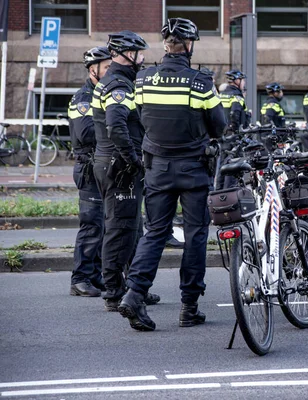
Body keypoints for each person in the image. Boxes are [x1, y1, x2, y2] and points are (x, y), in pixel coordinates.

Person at [118, 18, 226, 331]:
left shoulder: (142, 79)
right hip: (193, 170)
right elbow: (219, 125)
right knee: (195, 236)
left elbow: (138, 116)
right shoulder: (200, 82)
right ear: (188, 45)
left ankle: (135, 293)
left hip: (158, 169)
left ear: (166, 45)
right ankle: (188, 307)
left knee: (154, 233)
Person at [91, 30, 158, 311]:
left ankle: (131, 287)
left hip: (111, 163)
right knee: (119, 230)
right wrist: (133, 160)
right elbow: (117, 127)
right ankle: (113, 291)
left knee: (131, 229)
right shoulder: (118, 84)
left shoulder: (118, 81)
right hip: (118, 167)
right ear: (126, 53)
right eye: (139, 53)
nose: (142, 58)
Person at [68, 46, 112, 297]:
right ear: (92, 70)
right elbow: (85, 133)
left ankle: (95, 276)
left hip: (101, 167)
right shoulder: (83, 97)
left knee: (102, 226)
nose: (109, 71)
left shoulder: (101, 94)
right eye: (105, 67)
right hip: (88, 168)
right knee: (91, 225)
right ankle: (80, 278)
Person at [216, 69, 248, 189]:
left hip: (223, 135)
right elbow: (235, 114)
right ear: (237, 81)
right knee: (234, 166)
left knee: (223, 165)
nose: (244, 83)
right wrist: (236, 133)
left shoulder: (221, 95)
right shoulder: (236, 96)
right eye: (243, 80)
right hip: (234, 137)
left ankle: (219, 192)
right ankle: (230, 193)